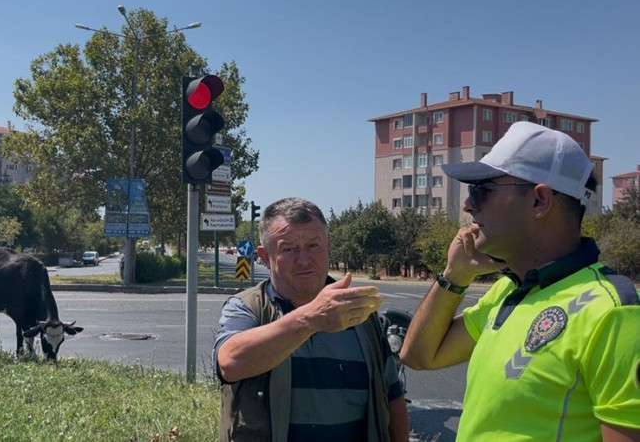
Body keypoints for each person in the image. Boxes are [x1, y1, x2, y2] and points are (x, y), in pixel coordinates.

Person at [400, 121, 640, 441]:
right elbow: (418, 356)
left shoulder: (612, 313)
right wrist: (454, 275)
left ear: (539, 201)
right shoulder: (509, 290)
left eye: (481, 190)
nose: (468, 204)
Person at [213, 197, 409, 442]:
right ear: (265, 256)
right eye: (288, 248)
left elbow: (391, 394)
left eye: (313, 245)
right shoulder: (248, 308)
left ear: (328, 245)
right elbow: (229, 363)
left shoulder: (360, 314)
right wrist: (312, 318)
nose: (304, 259)